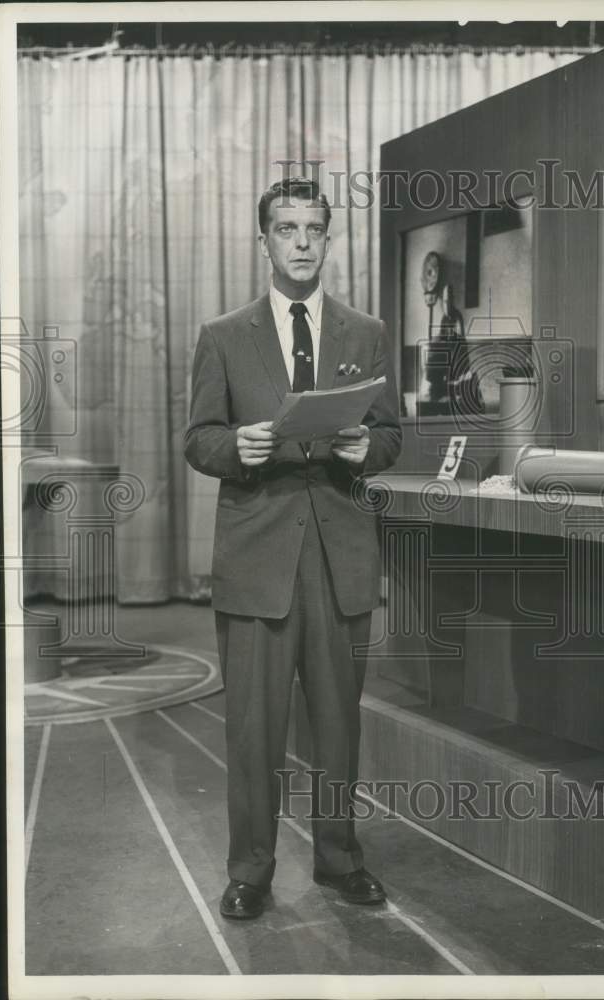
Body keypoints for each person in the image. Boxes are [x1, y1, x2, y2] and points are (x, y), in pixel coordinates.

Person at [184, 176, 402, 920]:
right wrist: (235, 447)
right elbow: (198, 439)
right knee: (252, 725)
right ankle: (250, 870)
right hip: (257, 555)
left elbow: (393, 435)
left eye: (315, 229)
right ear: (264, 241)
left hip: (339, 554)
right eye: (287, 229)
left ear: (329, 239)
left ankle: (340, 861)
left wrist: (365, 445)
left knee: (339, 717)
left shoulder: (365, 332)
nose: (302, 243)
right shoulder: (223, 335)